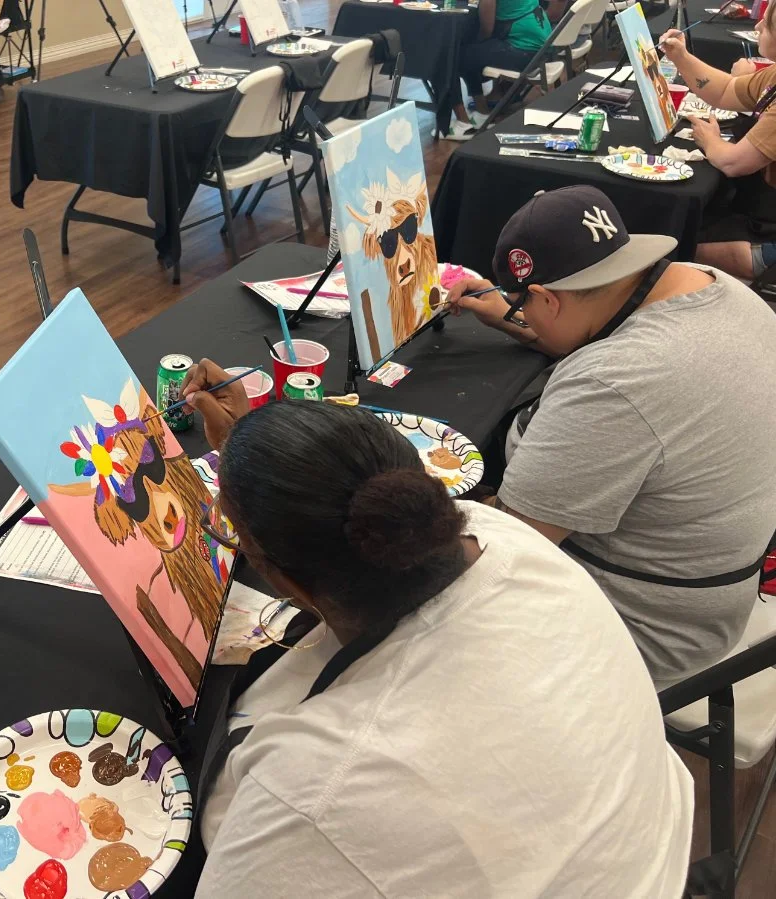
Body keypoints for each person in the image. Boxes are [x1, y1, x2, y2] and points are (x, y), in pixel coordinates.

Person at [178, 368, 693, 897]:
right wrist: (256, 452)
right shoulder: (504, 538)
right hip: (648, 860)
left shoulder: (313, 793)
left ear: (282, 579)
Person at [448, 185, 776, 689]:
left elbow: (507, 552)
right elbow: (598, 324)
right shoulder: (723, 291)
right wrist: (506, 314)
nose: (520, 312)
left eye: (524, 303)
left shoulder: (615, 383)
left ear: (547, 299)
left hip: (637, 626)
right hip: (710, 589)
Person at [660, 11, 776, 279]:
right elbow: (725, 90)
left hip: (768, 238)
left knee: (671, 244)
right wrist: (680, 56)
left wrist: (709, 140)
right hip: (761, 213)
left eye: (767, 25)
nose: (757, 25)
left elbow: (734, 162)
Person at [448, 0, 556, 140]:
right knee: (471, 51)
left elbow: (487, 29)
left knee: (456, 56)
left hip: (525, 51)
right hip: (543, 48)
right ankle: (482, 113)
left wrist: (478, 42)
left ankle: (468, 121)